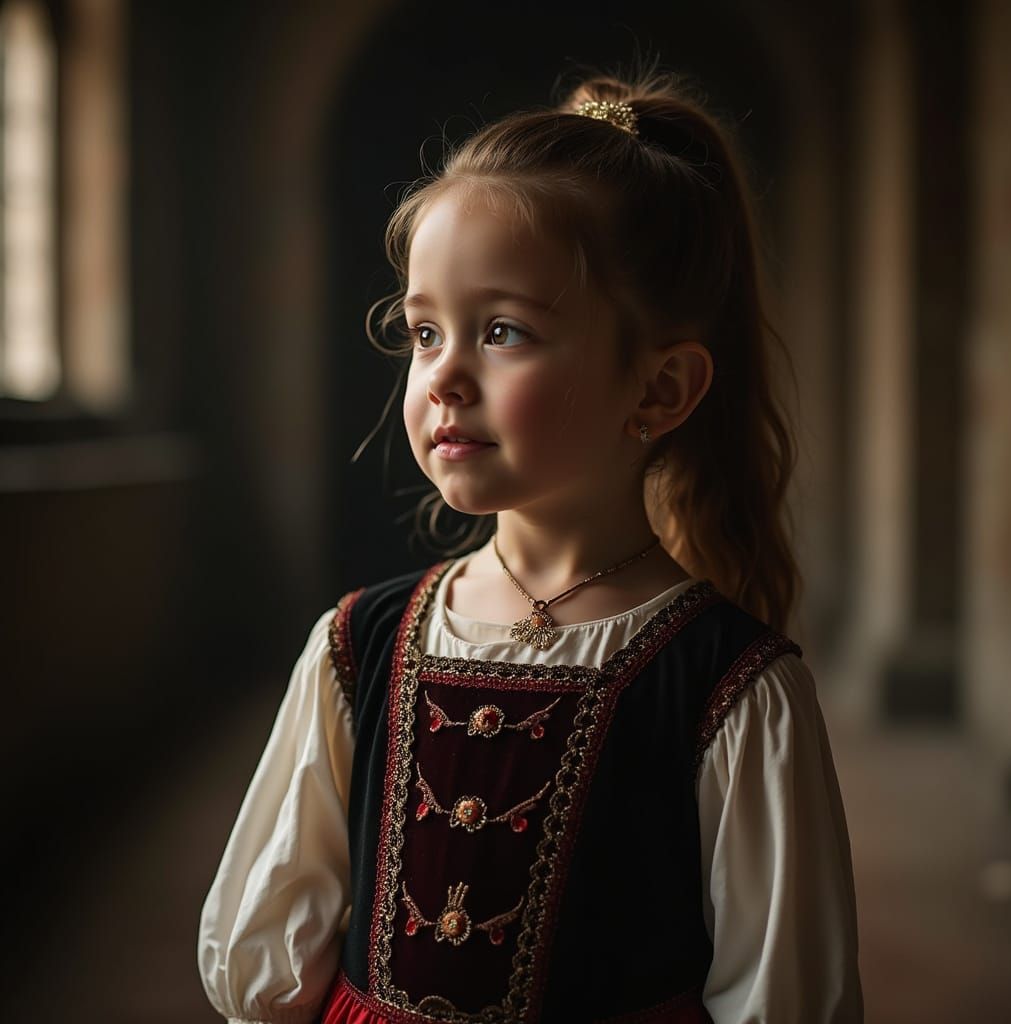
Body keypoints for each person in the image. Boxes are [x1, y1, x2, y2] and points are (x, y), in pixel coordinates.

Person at [198, 66, 863, 1024]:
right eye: (425, 332)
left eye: (503, 331)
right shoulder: (357, 646)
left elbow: (784, 998)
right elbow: (271, 964)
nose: (444, 379)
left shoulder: (733, 692)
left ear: (660, 389)